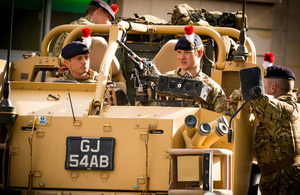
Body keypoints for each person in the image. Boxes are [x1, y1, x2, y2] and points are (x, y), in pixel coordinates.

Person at [249, 66, 300, 195]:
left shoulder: (280, 108)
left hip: (282, 181)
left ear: (273, 88)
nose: (261, 89)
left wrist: (237, 95)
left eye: (263, 85)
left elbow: (254, 97)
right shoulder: (296, 107)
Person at [164, 25, 233, 116]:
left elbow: (222, 121)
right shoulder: (165, 80)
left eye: (187, 52)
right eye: (179, 52)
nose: (182, 57)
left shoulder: (212, 88)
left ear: (200, 53)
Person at [52, 0, 118, 57]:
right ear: (100, 11)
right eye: (108, 18)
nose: (109, 23)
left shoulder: (80, 23)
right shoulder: (85, 25)